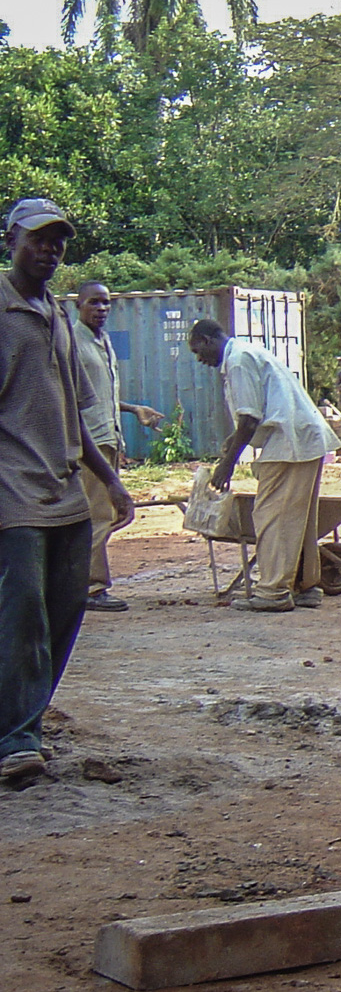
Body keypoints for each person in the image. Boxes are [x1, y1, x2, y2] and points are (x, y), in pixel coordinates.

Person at [2, 199, 135, 784]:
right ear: (10, 240)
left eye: (57, 242)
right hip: (12, 490)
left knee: (67, 606)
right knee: (22, 610)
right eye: (37, 240)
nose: (49, 250)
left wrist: (109, 479)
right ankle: (17, 739)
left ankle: (20, 721)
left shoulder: (57, 313)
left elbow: (70, 407)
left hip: (65, 488)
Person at [187, 318, 341, 612]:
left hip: (289, 442)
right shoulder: (248, 352)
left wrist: (226, 465)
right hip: (302, 438)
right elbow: (260, 409)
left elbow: (249, 419)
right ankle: (304, 585)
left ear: (208, 340)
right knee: (299, 517)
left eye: (197, 350)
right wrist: (233, 442)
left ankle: (273, 592)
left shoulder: (238, 361)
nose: (199, 359)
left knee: (272, 516)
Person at [71, 281, 165, 612]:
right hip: (89, 443)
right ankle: (89, 588)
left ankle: (79, 582)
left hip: (108, 438)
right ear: (78, 306)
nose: (101, 309)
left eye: (106, 303)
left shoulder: (103, 341)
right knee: (98, 515)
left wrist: (131, 409)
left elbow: (99, 394)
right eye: (94, 303)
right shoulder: (72, 343)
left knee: (106, 514)